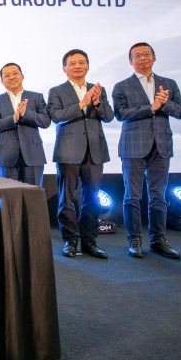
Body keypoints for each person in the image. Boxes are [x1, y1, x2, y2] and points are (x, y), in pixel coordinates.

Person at [112, 42, 181, 259]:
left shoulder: (168, 83)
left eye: (146, 54)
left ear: (154, 57)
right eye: (137, 56)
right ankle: (134, 240)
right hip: (133, 146)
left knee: (158, 196)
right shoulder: (122, 86)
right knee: (132, 197)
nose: (143, 58)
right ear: (130, 61)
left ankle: (158, 240)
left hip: (161, 146)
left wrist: (164, 104)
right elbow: (121, 114)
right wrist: (151, 107)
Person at [47, 49, 113, 259]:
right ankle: (70, 241)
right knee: (66, 199)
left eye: (81, 62)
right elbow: (56, 116)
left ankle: (89, 241)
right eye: (72, 63)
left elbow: (109, 116)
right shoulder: (56, 91)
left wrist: (97, 103)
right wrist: (82, 103)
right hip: (68, 151)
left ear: (88, 66)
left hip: (95, 150)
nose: (77, 66)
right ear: (64, 68)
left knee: (93, 198)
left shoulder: (98, 89)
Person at [0, 62, 50, 186]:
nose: (12, 77)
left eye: (15, 73)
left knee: (33, 194)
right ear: (2, 81)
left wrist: (25, 113)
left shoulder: (37, 97)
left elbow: (45, 121)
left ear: (22, 76)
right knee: (8, 195)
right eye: (7, 75)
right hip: (6, 157)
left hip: (33, 155)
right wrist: (14, 118)